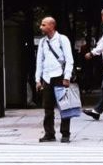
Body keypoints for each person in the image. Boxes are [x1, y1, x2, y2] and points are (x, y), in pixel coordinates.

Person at [32, 14, 77, 143]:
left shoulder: (62, 40)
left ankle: (65, 133)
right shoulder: (42, 42)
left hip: (60, 75)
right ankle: (49, 133)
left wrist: (67, 76)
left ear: (52, 26)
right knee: (47, 107)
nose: (41, 27)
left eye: (43, 25)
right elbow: (39, 61)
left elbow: (69, 59)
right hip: (47, 77)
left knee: (64, 106)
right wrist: (37, 79)